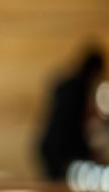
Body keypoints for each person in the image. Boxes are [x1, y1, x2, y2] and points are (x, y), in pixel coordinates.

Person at [38, 44, 105, 181]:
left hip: (50, 145)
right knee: (59, 188)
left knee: (56, 186)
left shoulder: (67, 84)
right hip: (58, 148)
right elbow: (71, 126)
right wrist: (87, 152)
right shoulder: (78, 90)